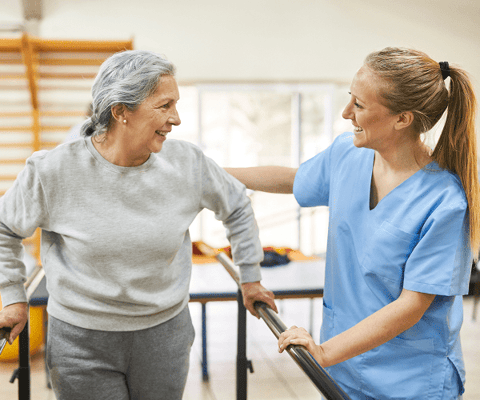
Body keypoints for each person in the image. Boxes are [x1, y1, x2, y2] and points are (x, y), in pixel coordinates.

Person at [0, 50, 277, 400]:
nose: (175, 118)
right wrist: (13, 297)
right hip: (81, 340)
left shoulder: (187, 162)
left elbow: (237, 204)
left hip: (164, 335)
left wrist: (249, 276)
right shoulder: (53, 171)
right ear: (121, 111)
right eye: (164, 106)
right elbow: (4, 228)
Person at [226, 47, 479, 400]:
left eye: (358, 105)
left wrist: (324, 352)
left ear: (402, 118)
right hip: (343, 367)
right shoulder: (349, 154)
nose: (347, 113)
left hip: (410, 381)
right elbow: (293, 179)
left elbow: (411, 305)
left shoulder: (445, 202)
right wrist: (212, 174)